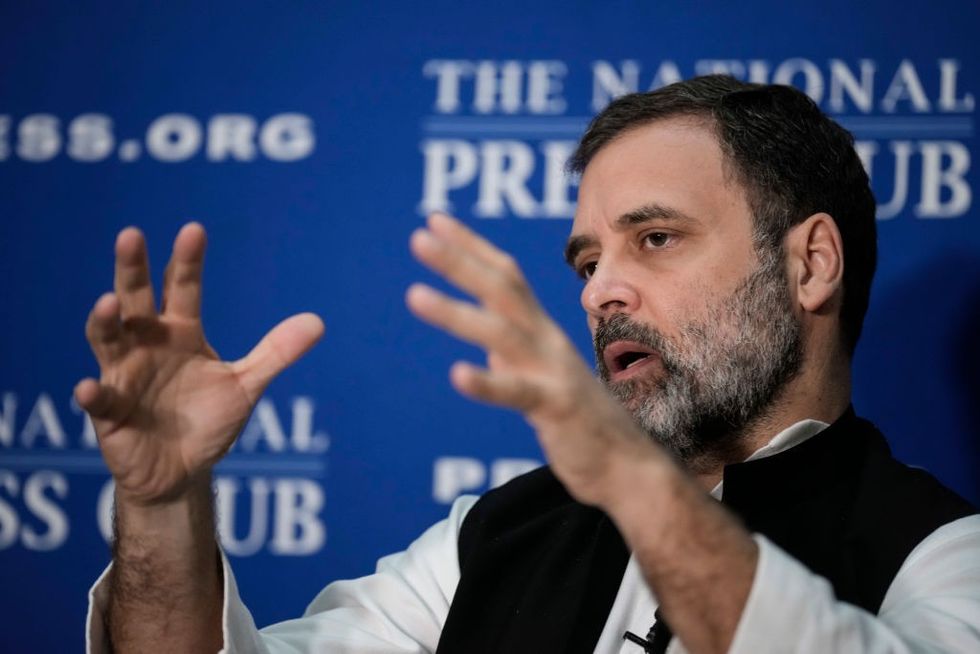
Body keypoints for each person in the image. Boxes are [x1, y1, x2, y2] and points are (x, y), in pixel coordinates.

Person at [83, 76, 979, 653]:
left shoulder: (945, 560)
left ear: (810, 264)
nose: (598, 295)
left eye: (656, 239)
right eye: (588, 263)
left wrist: (633, 484)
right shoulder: (497, 537)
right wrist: (162, 508)